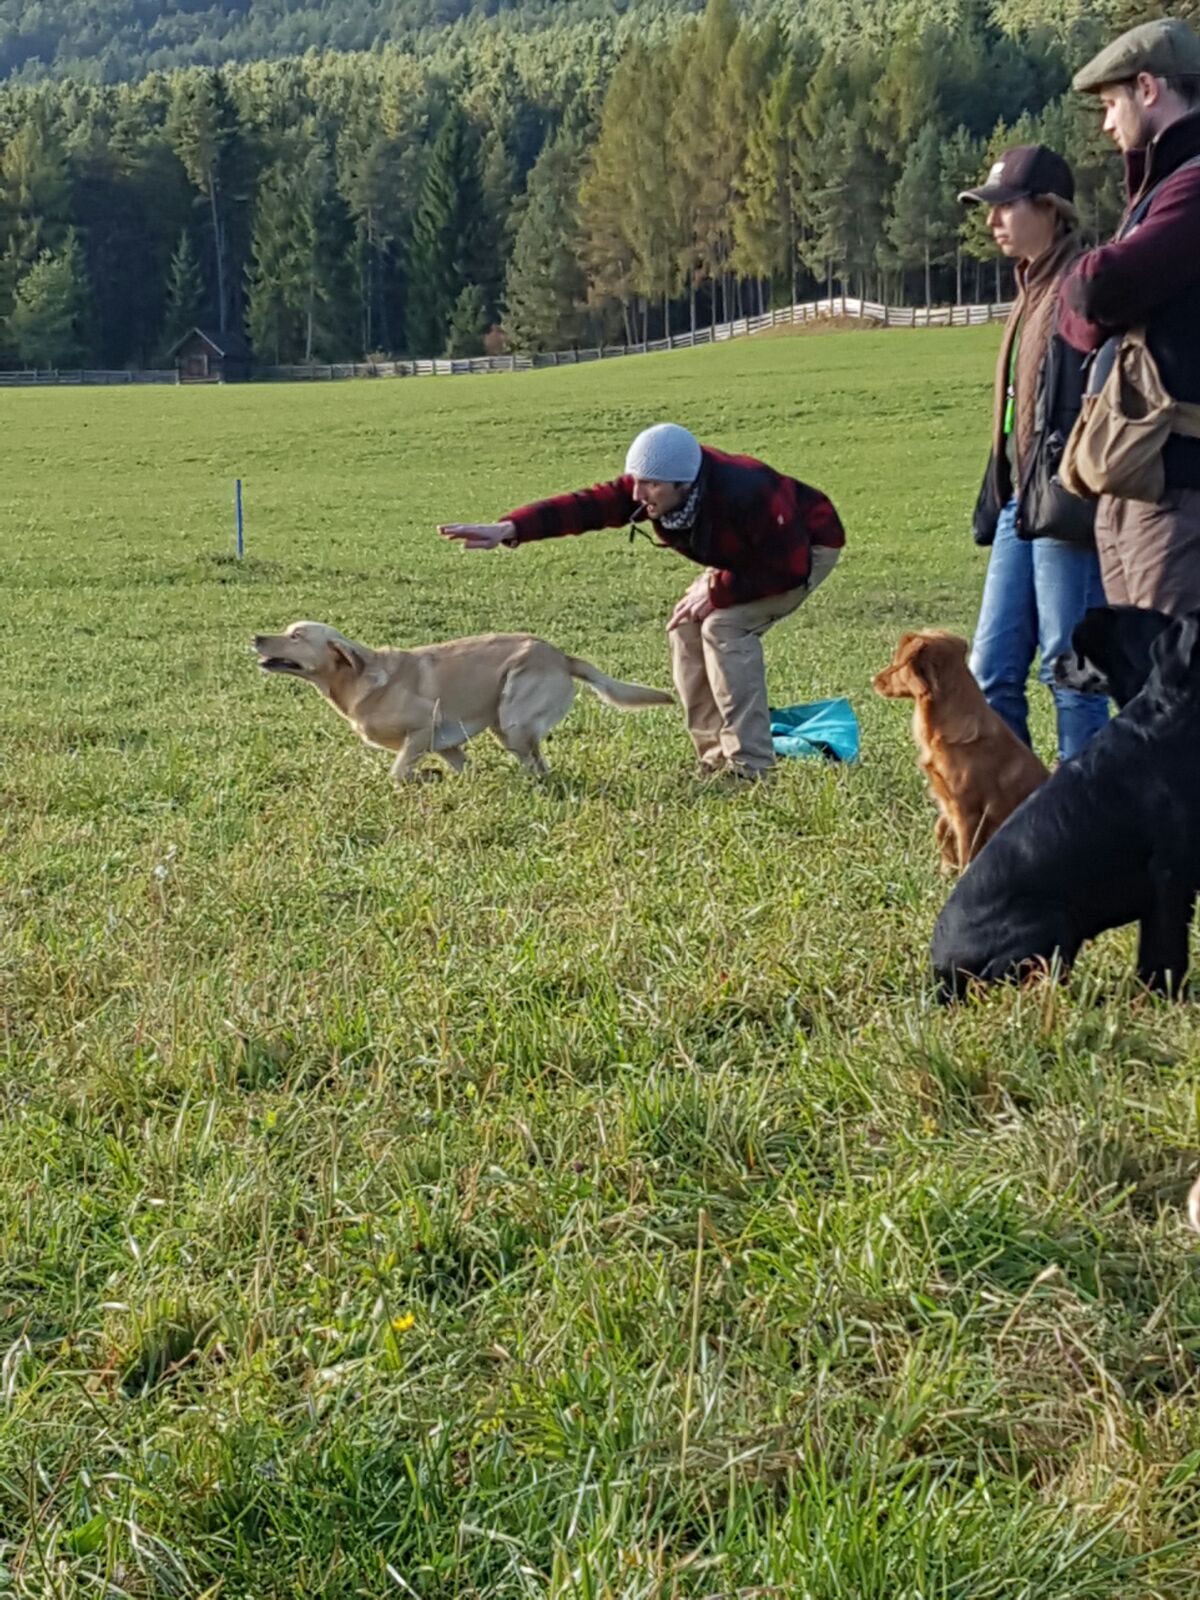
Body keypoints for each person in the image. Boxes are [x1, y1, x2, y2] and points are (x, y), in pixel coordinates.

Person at [438, 425, 845, 780]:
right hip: (743, 558)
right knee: (685, 627)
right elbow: (586, 506)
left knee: (725, 628)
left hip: (803, 549)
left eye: (650, 484)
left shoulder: (748, 491)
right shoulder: (658, 485)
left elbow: (788, 567)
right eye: (636, 480)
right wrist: (511, 528)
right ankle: (714, 758)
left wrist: (718, 589)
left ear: (684, 484)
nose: (637, 493)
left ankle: (752, 767)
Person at [961, 145, 1109, 761]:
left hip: (1066, 506)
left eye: (1004, 207)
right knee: (990, 670)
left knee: (1070, 671)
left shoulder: (1083, 286)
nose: (992, 221)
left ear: (1050, 209)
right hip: (1020, 503)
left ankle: (1090, 830)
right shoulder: (1029, 291)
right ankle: (1023, 823)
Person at [1058, 17, 1200, 614]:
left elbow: (1095, 288)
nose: (1107, 122)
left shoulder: (1191, 187)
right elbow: (1086, 318)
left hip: (1176, 484)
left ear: (1148, 89)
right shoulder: (1161, 187)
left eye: (1112, 103)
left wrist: (1091, 290)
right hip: (1141, 476)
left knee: (1171, 691)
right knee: (1143, 687)